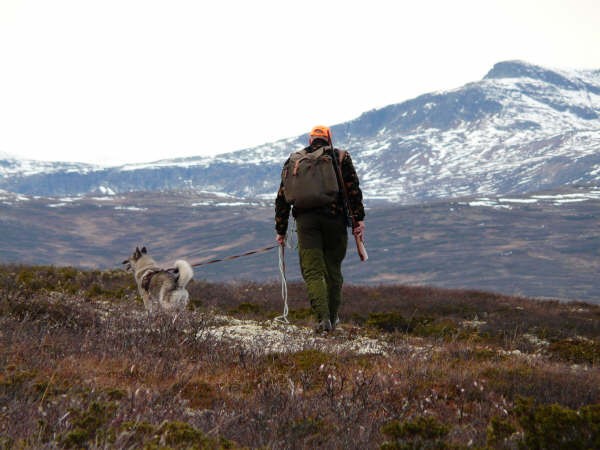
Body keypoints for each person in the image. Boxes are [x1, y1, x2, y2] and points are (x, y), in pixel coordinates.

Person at [275, 125, 365, 333]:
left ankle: (321, 321)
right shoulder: (340, 157)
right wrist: (359, 220)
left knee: (313, 272)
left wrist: (281, 230)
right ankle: (333, 320)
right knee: (333, 271)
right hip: (335, 220)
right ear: (329, 138)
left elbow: (282, 198)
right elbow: (353, 190)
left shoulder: (294, 160)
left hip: (306, 224)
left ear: (310, 140)